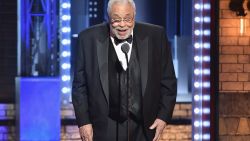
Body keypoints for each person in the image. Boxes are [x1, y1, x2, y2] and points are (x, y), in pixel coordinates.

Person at [72, 0, 177, 141]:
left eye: (128, 19)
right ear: (108, 18)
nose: (122, 25)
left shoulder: (156, 36)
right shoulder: (87, 39)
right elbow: (79, 86)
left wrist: (163, 116)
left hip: (143, 126)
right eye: (116, 20)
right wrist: (84, 122)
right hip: (103, 126)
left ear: (134, 16)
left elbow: (168, 81)